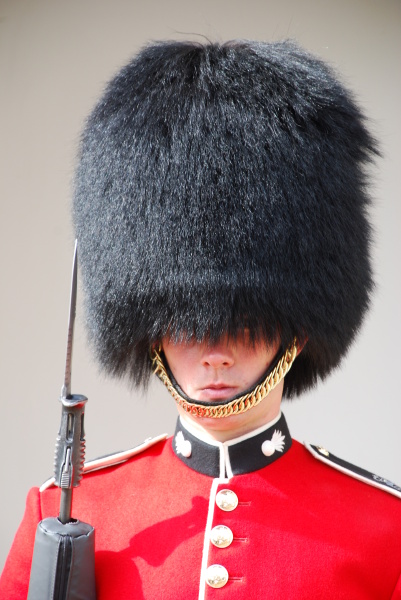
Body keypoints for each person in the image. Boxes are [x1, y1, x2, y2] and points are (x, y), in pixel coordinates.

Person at [1, 39, 401, 599]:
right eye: (187, 325)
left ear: (298, 330)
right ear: (150, 330)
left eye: (245, 322)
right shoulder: (70, 508)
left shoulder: (385, 530)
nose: (215, 353)